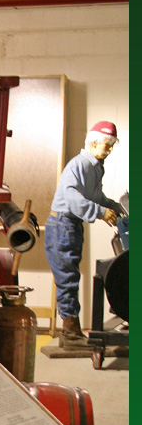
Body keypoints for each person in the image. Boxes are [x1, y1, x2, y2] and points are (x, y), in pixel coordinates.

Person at [44, 120, 122, 345]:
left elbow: (96, 197)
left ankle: (72, 330)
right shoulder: (79, 165)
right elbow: (72, 198)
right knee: (67, 279)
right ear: (94, 143)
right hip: (62, 226)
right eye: (106, 145)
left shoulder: (95, 166)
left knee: (70, 277)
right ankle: (70, 333)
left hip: (70, 225)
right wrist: (100, 212)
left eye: (112, 146)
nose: (109, 150)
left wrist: (116, 207)